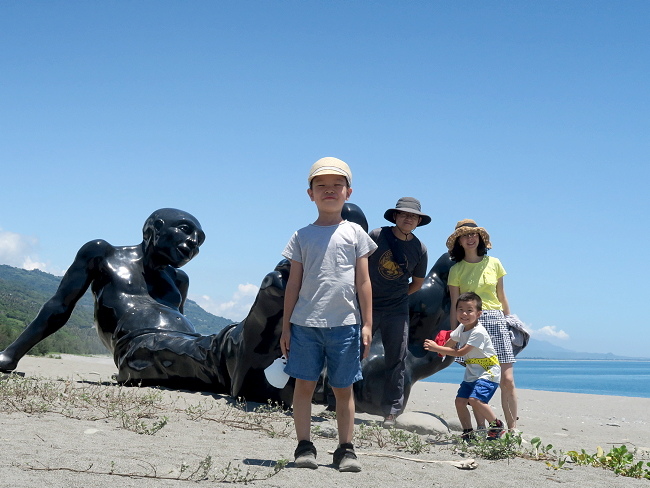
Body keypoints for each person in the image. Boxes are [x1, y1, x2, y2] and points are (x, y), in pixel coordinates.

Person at [280, 157, 377, 472]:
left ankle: (345, 449)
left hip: (345, 325)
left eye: (337, 185)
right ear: (310, 194)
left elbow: (364, 281)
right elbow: (293, 284)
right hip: (305, 324)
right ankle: (304, 446)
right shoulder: (301, 235)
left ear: (349, 192)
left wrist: (367, 323)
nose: (329, 190)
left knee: (343, 389)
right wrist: (285, 328)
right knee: (304, 387)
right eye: (321, 186)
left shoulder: (355, 234)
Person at [446, 219, 518, 431]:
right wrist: (454, 336)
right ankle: (481, 428)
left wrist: (510, 322)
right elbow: (454, 305)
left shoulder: (494, 263)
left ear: (480, 238)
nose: (470, 238)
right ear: (458, 241)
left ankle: (512, 429)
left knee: (507, 379)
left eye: (473, 234)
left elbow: (502, 296)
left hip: (496, 321)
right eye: (465, 235)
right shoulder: (456, 269)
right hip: (471, 325)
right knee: (476, 378)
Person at [367, 197, 430, 428]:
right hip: (367, 305)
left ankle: (391, 411)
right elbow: (359, 266)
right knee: (354, 351)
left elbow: (418, 283)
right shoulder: (376, 236)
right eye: (403, 214)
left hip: (397, 310)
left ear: (418, 221)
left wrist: (399, 295)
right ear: (395, 216)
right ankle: (337, 400)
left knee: (397, 358)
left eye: (413, 216)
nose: (408, 218)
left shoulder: (420, 249)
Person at [424, 292, 504, 441]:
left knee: (475, 401)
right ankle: (468, 432)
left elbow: (460, 351)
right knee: (460, 402)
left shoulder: (478, 332)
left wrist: (437, 348)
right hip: (472, 372)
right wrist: (439, 354)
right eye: (460, 309)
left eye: (469, 310)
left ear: (479, 313)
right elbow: (451, 342)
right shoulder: (462, 328)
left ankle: (496, 426)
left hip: (489, 372)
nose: (464, 313)